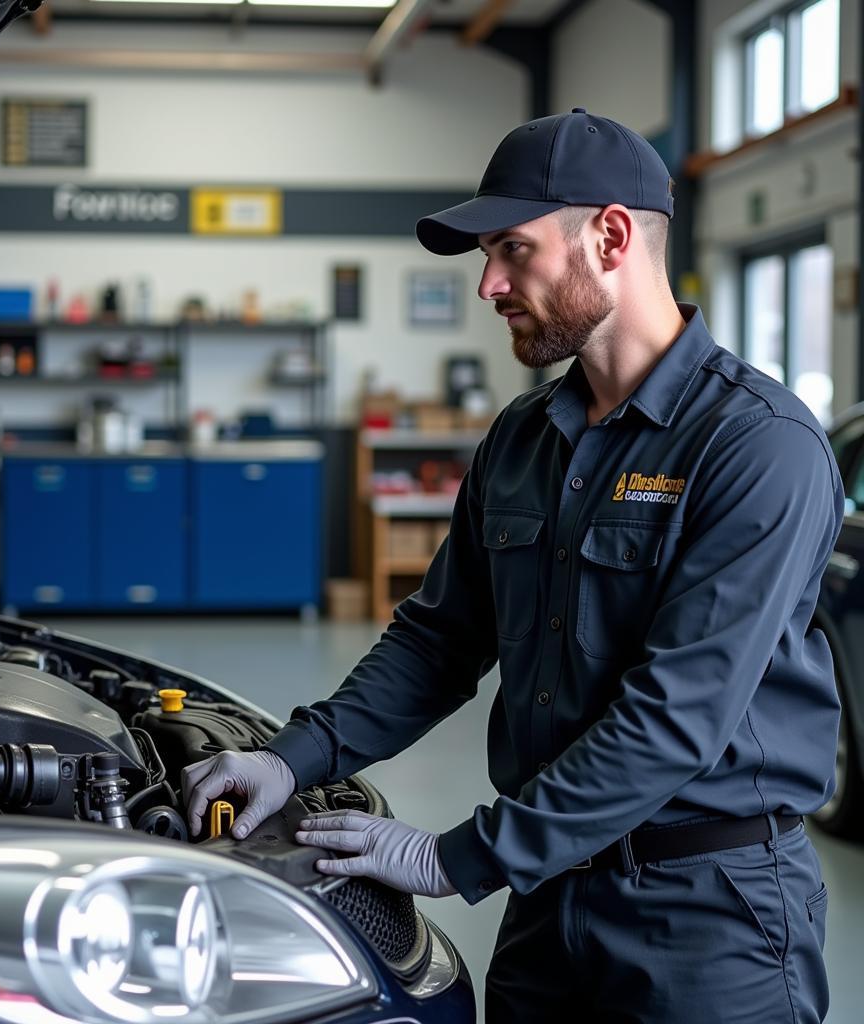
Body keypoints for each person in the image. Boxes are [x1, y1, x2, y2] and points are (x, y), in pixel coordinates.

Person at [182, 108, 841, 1023]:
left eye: (513, 250)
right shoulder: (524, 438)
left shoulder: (756, 447)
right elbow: (441, 638)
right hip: (548, 901)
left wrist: (455, 858)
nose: (488, 283)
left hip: (709, 915)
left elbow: (673, 719)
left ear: (610, 236)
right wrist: (294, 758)